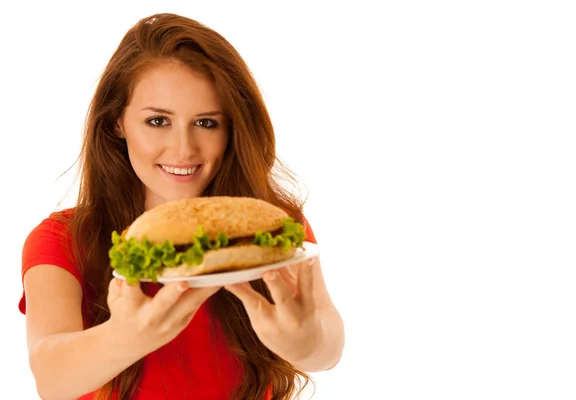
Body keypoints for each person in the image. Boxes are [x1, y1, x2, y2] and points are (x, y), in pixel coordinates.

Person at [19, 13, 344, 400]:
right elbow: (51, 379)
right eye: (158, 121)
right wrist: (124, 338)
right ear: (117, 122)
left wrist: (304, 341)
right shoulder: (63, 239)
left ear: (232, 129)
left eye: (206, 123)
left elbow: (329, 346)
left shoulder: (271, 227)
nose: (183, 149)